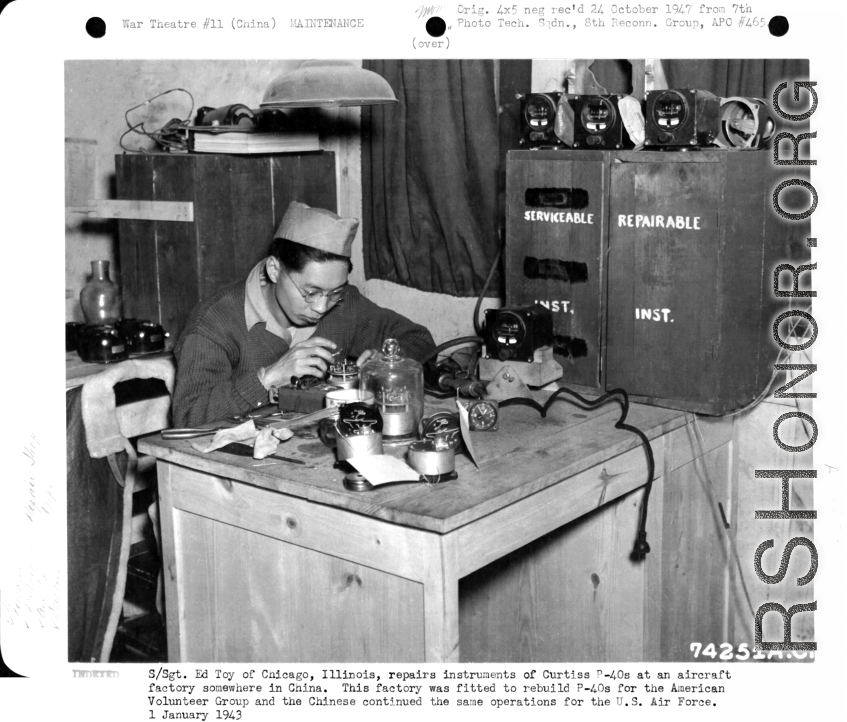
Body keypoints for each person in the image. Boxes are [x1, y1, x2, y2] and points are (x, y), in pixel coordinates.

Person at [173, 201, 436, 427]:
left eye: (334, 292)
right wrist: (268, 379)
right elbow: (187, 418)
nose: (322, 308)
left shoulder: (344, 305)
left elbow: (419, 340)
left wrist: (390, 363)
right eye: (310, 292)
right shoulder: (214, 323)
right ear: (275, 270)